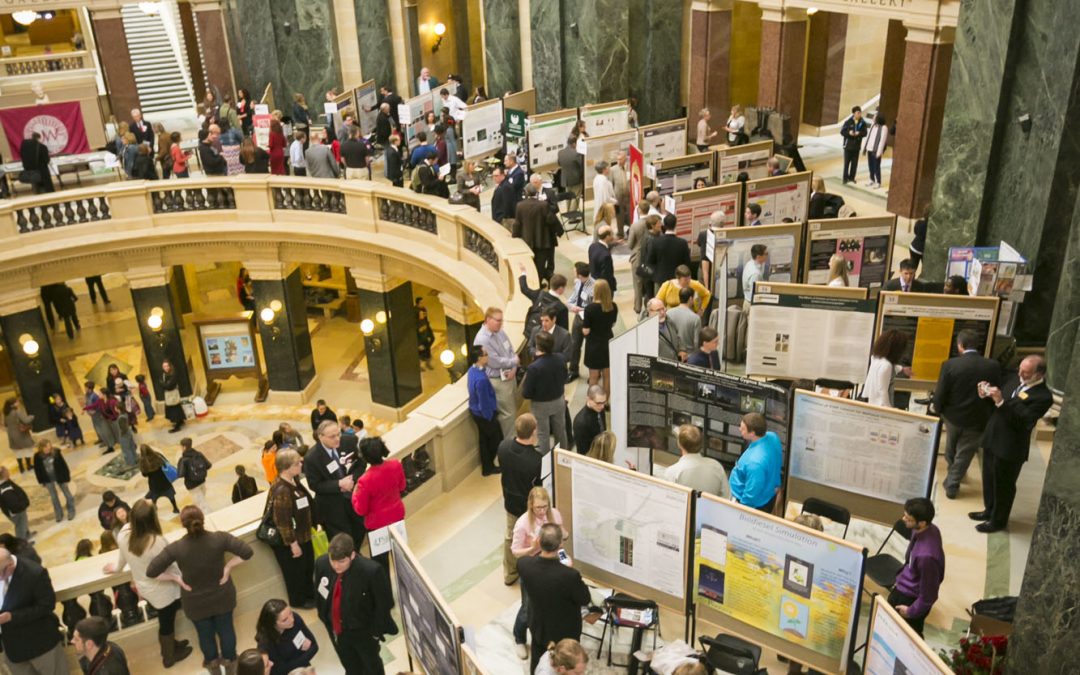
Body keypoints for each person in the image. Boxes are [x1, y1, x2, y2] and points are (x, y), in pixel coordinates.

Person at [147, 506, 253, 674]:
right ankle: (231, 664)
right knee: (227, 630)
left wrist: (176, 578)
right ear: (202, 520)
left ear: (183, 524)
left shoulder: (177, 547)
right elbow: (247, 551)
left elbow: (151, 571)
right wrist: (228, 568)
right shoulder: (220, 538)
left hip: (195, 603)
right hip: (222, 596)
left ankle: (213, 667)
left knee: (205, 636)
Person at [105, 500, 192, 668]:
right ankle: (169, 656)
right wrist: (177, 578)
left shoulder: (123, 533)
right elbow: (161, 571)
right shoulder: (156, 541)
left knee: (165, 619)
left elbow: (122, 559)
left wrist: (116, 568)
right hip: (164, 590)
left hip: (146, 587)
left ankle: (171, 645)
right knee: (167, 622)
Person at [970, 355, 1053, 533]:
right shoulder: (1015, 380)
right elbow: (997, 405)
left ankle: (998, 521)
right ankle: (989, 511)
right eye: (1020, 369)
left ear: (1039, 374)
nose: (1020, 373)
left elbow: (1023, 420)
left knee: (1004, 486)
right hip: (993, 438)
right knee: (989, 479)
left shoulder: (1043, 397)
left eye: (1026, 372)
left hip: (1010, 447)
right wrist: (985, 395)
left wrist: (1000, 401)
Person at [932, 330, 1002, 499]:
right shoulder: (992, 365)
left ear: (960, 345)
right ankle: (954, 476)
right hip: (978, 418)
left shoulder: (950, 364)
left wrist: (937, 408)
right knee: (965, 452)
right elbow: (995, 390)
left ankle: (952, 481)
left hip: (952, 416)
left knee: (951, 447)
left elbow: (941, 391)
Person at [518, 523, 591, 671]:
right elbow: (584, 598)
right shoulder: (569, 576)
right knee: (566, 663)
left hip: (538, 624)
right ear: (560, 544)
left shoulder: (524, 565)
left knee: (537, 656)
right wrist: (568, 568)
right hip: (565, 629)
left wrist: (532, 549)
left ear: (538, 541)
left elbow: (523, 559)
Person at [322, 533, 398, 674]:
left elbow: (383, 604)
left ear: (352, 555)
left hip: (364, 632)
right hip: (340, 631)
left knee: (372, 666)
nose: (336, 566)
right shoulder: (324, 564)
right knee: (351, 667)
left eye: (341, 561)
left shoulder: (371, 571)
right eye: (333, 561)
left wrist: (374, 633)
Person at [511, 487, 566, 659]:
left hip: (553, 562)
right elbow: (515, 551)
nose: (542, 511)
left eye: (545, 507)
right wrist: (533, 547)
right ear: (530, 506)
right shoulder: (522, 523)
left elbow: (562, 537)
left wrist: (563, 538)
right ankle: (519, 637)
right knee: (528, 607)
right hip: (532, 566)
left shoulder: (554, 514)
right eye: (538, 508)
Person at [0, 546, 68, 672]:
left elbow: (47, 605)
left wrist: (12, 617)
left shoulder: (34, 573)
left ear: (10, 566)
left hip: (41, 646)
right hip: (13, 651)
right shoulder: (2, 569)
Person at [265, 449, 317, 608]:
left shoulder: (294, 481)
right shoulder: (282, 490)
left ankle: (310, 594)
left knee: (307, 567)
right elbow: (283, 521)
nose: (301, 464)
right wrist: (293, 544)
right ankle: (299, 601)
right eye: (297, 463)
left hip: (303, 536)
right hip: (292, 541)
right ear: (287, 467)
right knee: (296, 573)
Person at [889, 498, 945, 636]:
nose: (903, 519)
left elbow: (929, 595)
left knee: (909, 635)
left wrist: (910, 612)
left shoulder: (927, 557)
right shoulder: (927, 529)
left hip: (911, 599)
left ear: (922, 523)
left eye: (908, 519)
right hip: (905, 582)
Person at [304, 420, 366, 544]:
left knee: (360, 531)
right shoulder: (311, 458)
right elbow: (314, 485)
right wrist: (339, 484)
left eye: (338, 434)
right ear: (320, 437)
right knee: (344, 542)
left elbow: (361, 463)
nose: (337, 439)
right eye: (332, 437)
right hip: (333, 508)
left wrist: (352, 480)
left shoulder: (349, 442)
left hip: (355, 500)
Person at [498, 414, 543, 586]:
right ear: (533, 432)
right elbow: (539, 488)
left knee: (510, 537)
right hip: (527, 507)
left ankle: (510, 573)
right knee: (533, 539)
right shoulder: (536, 460)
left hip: (510, 501)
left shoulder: (503, 447)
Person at [351, 437, 406, 568]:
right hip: (397, 517)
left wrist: (354, 495)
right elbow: (402, 486)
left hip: (377, 526)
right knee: (401, 559)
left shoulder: (365, 480)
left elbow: (361, 510)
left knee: (381, 565)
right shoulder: (396, 465)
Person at [473, 307, 521, 438]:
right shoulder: (483, 339)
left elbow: (510, 349)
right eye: (498, 320)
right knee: (508, 414)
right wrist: (513, 362)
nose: (501, 323)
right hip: (498, 381)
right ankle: (510, 444)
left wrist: (513, 368)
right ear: (488, 320)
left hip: (510, 376)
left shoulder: (500, 332)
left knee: (512, 411)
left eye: (502, 320)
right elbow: (494, 362)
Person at [523, 332, 569, 454]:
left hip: (540, 405)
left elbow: (526, 393)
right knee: (561, 431)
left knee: (543, 435)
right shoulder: (560, 359)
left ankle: (545, 464)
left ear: (538, 347)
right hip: (559, 400)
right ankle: (563, 458)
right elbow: (565, 377)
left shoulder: (534, 367)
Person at [729, 412, 783, 513]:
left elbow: (751, 494)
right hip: (769, 493)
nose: (740, 430)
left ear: (752, 433)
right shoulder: (773, 437)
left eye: (743, 428)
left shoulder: (754, 463)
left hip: (754, 504)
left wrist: (740, 510)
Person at [664, 424, 730, 497]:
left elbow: (669, 502)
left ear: (679, 444)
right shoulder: (717, 466)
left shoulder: (672, 472)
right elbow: (727, 497)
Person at [255, 599, 318, 675]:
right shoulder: (266, 644)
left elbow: (315, 646)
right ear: (273, 624)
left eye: (290, 613)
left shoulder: (295, 618)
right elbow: (278, 671)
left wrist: (294, 662)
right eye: (284, 620)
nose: (291, 620)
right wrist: (303, 652)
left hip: (303, 670)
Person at [514, 184, 562, 282]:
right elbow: (551, 220)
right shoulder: (543, 205)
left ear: (526, 193)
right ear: (536, 193)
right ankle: (538, 284)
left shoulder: (520, 205)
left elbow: (517, 224)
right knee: (540, 266)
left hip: (527, 241)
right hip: (543, 240)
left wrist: (515, 237)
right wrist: (558, 231)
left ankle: (532, 283)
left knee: (530, 265)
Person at [467, 346, 502, 476]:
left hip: (475, 411)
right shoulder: (481, 379)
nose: (488, 356)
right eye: (486, 354)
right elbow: (484, 402)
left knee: (484, 440)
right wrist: (489, 417)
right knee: (495, 439)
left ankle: (487, 467)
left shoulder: (472, 370)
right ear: (479, 358)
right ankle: (489, 466)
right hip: (484, 414)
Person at [582, 279, 618, 398]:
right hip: (608, 342)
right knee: (607, 376)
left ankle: (593, 400)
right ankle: (605, 401)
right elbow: (612, 324)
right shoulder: (613, 306)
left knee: (594, 377)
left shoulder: (590, 309)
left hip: (594, 345)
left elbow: (586, 330)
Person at [863, 330, 911, 408]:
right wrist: (890, 409)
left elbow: (885, 369)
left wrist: (902, 369)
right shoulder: (887, 365)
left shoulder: (876, 358)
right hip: (881, 406)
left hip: (872, 402)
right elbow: (883, 391)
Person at [33, 440, 75, 522]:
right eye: (46, 447)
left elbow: (63, 465)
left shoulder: (56, 452)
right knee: (54, 497)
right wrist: (41, 481)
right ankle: (59, 513)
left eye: (49, 446)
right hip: (47, 479)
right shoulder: (37, 456)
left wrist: (67, 477)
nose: (48, 448)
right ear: (41, 448)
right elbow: (37, 470)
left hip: (60, 477)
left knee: (67, 494)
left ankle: (71, 510)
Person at [567, 262, 595, 381]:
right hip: (578, 318)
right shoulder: (578, 283)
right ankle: (573, 370)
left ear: (579, 275)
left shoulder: (594, 287)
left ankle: (594, 373)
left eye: (574, 271)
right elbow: (573, 297)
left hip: (589, 320)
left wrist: (582, 309)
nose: (573, 273)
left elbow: (595, 306)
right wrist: (570, 306)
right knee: (574, 345)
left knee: (591, 348)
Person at [648, 214, 692, 289]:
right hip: (677, 281)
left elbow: (650, 261)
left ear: (664, 225)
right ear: (675, 225)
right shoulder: (682, 243)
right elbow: (687, 263)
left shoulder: (655, 242)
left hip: (660, 281)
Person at [177, 437, 212, 512]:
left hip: (192, 485)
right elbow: (208, 465)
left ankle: (209, 517)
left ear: (184, 447)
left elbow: (180, 474)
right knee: (202, 501)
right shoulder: (199, 454)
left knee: (202, 505)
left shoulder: (183, 460)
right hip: (202, 481)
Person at [572, 385, 608, 457]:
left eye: (604, 402)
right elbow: (583, 452)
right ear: (588, 399)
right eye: (598, 403)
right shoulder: (581, 423)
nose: (602, 406)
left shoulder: (599, 408)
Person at [3, 397, 35, 473]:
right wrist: (32, 416)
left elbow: (5, 424)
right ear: (12, 405)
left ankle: (21, 468)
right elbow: (26, 420)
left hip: (11, 434)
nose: (18, 403)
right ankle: (29, 466)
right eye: (17, 402)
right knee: (27, 449)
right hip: (21, 433)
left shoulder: (6, 413)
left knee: (18, 452)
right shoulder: (17, 411)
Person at [0, 467, 31, 541]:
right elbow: (12, 503)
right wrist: (21, 507)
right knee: (20, 527)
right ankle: (21, 545)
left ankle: (26, 536)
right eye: (7, 471)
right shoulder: (4, 488)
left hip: (19, 508)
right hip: (17, 511)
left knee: (23, 524)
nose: (8, 472)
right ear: (3, 474)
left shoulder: (7, 481)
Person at [840, 106, 868, 184]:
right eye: (857, 113)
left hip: (856, 147)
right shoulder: (848, 122)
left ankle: (852, 177)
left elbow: (865, 133)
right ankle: (845, 178)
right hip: (848, 146)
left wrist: (859, 134)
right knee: (846, 164)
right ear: (853, 114)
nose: (859, 114)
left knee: (854, 164)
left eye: (860, 113)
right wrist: (849, 133)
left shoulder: (862, 123)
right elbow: (842, 132)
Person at [865, 112, 889, 188]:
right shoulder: (872, 125)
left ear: (878, 118)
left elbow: (882, 141)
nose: (873, 118)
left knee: (876, 166)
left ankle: (878, 182)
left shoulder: (884, 127)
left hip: (876, 150)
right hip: (870, 148)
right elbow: (869, 136)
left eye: (874, 117)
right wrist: (866, 146)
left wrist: (879, 152)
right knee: (870, 165)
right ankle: (872, 179)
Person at [591, 160, 618, 227]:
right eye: (608, 168)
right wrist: (616, 201)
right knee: (604, 227)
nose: (609, 169)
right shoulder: (603, 181)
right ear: (604, 169)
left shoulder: (596, 178)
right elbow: (606, 198)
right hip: (604, 208)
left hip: (599, 205)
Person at [161, 359, 185, 433]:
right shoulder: (165, 374)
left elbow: (169, 385)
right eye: (164, 366)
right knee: (176, 408)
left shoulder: (173, 374)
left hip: (172, 395)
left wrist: (162, 384)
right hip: (170, 395)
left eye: (167, 366)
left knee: (175, 410)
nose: (165, 368)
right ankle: (180, 421)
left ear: (169, 366)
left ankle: (177, 426)